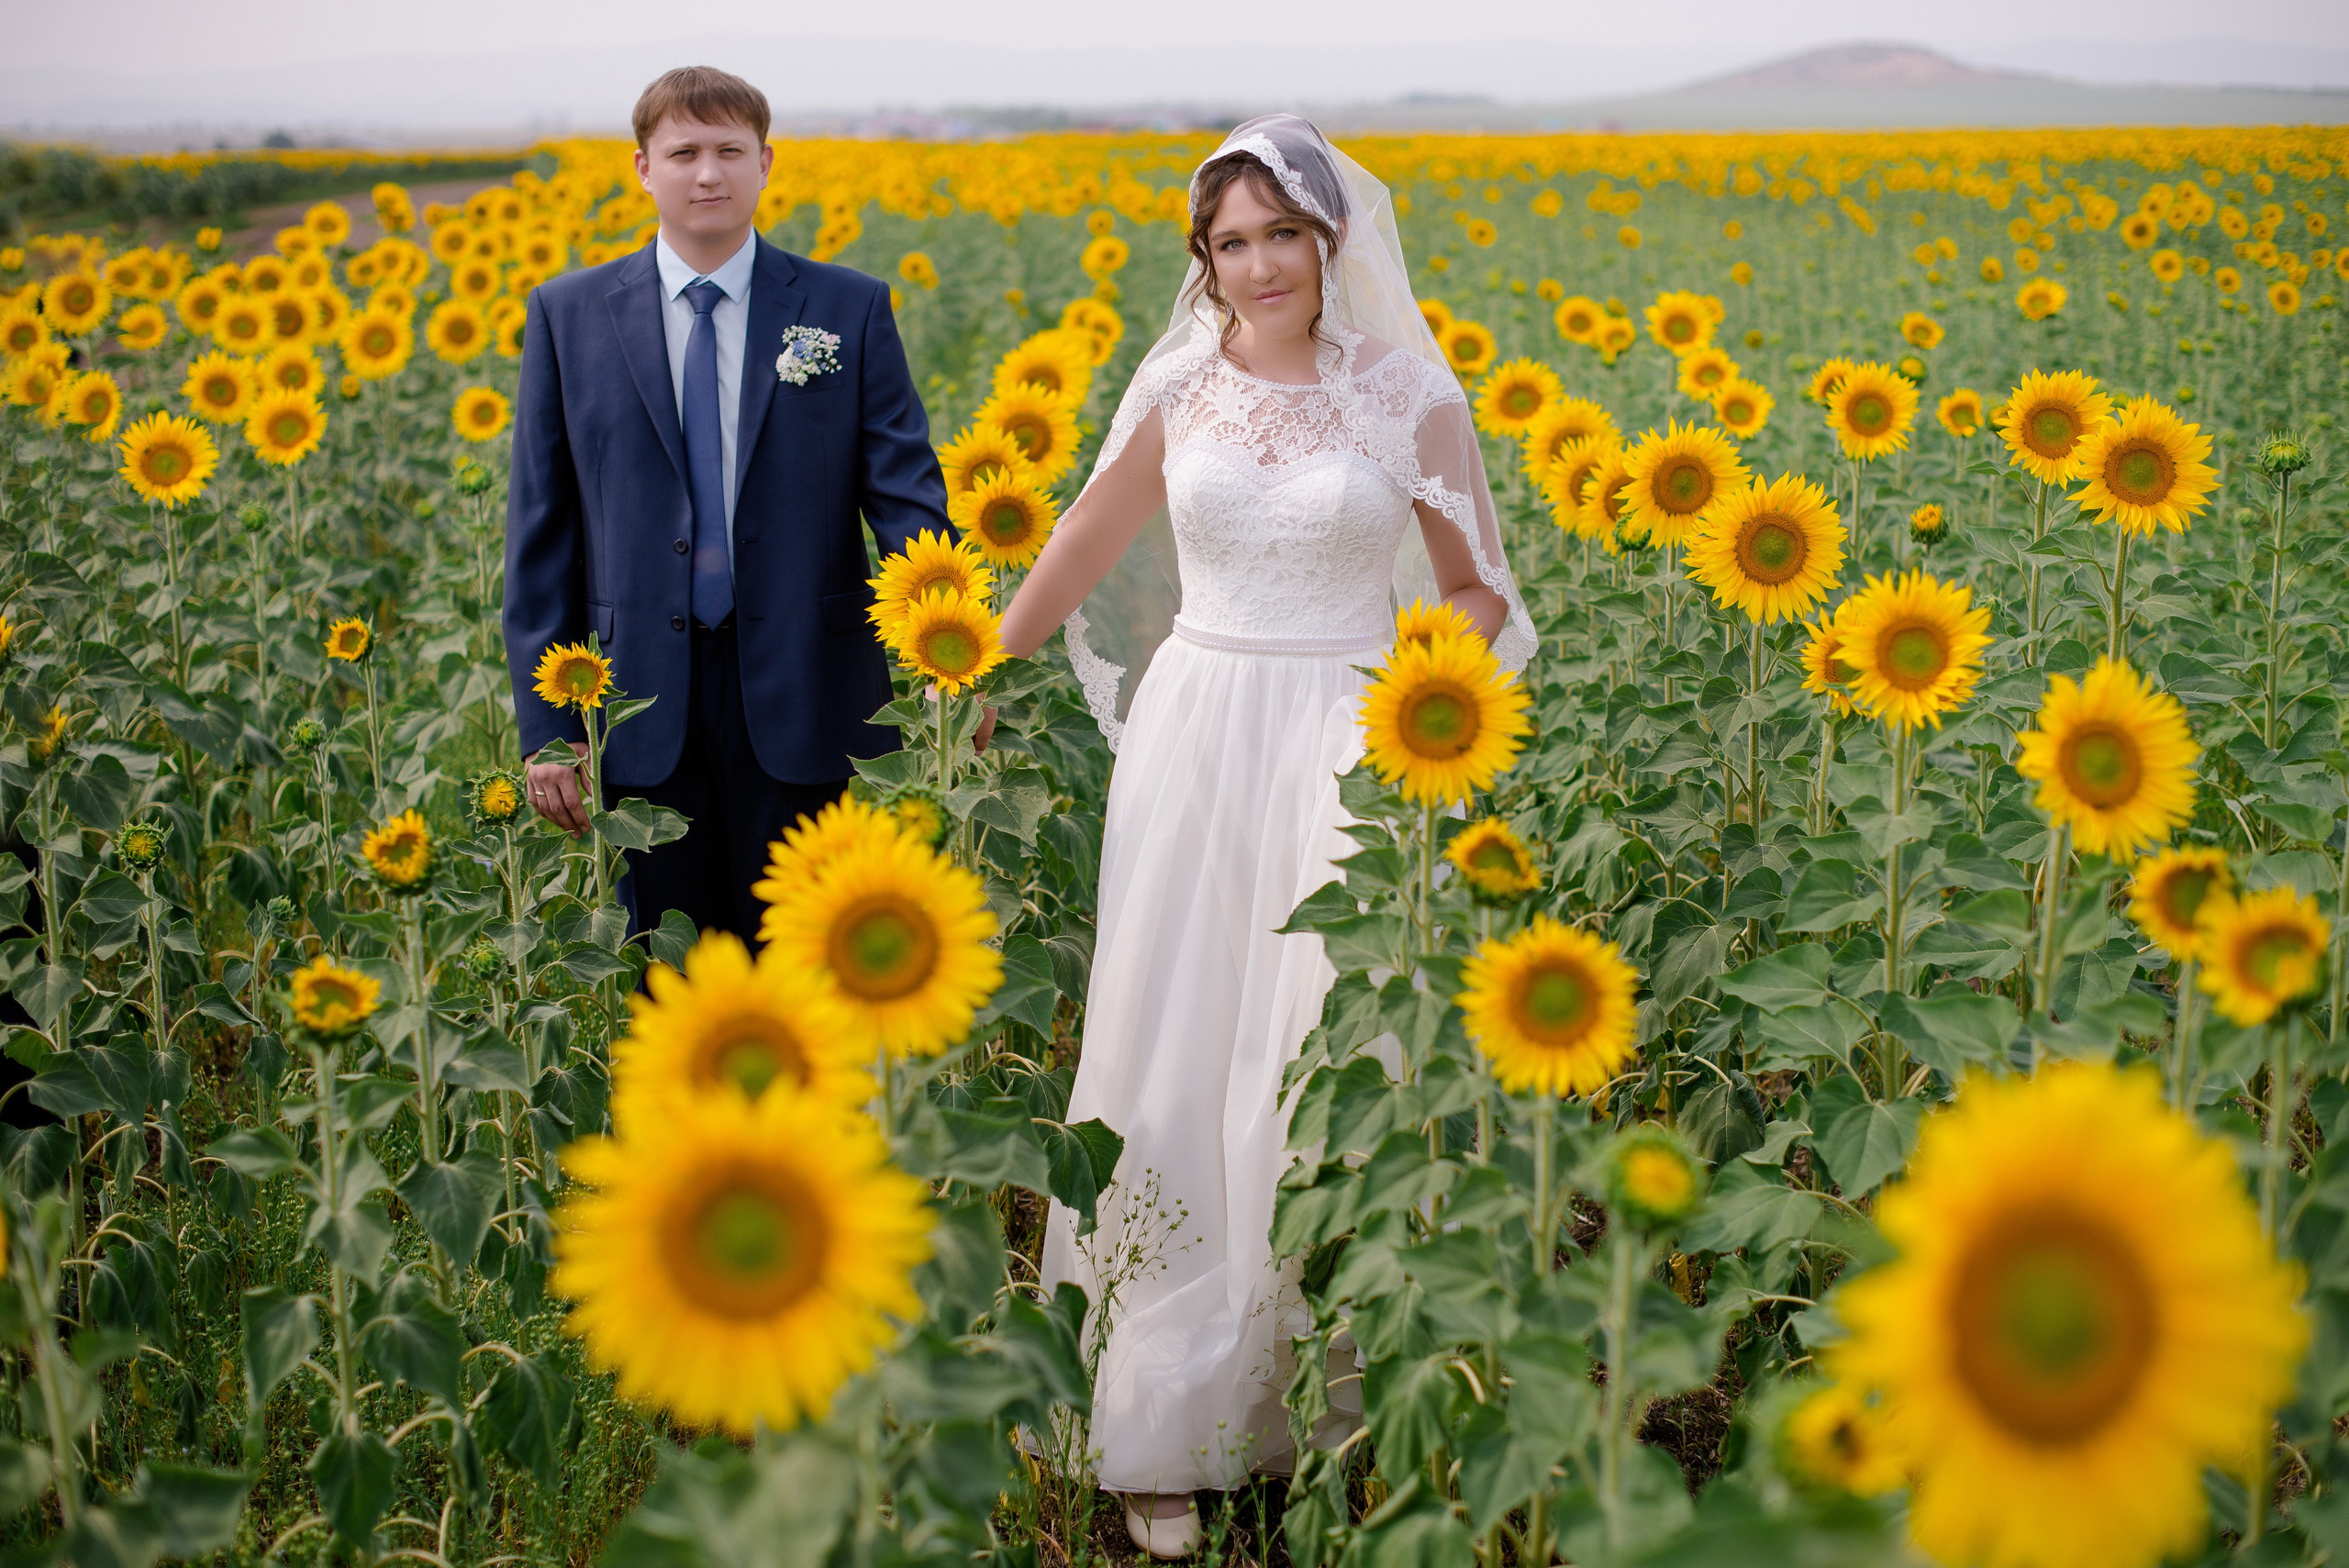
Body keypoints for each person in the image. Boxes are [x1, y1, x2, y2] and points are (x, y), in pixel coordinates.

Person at [987, 116, 1535, 1559]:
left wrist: (1415, 698)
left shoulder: (1411, 395)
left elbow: (1480, 591)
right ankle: (1160, 1411)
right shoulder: (1180, 386)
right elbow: (1089, 540)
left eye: (1280, 233)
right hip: (1200, 729)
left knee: (1325, 1047)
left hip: (1347, 734)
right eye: (1229, 243)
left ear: (1328, 239)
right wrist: (980, 660)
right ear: (1206, 262)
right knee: (1176, 1036)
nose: (1257, 264)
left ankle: (1332, 1393)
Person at [505, 65, 949, 943]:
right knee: (666, 966)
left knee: (812, 956)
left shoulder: (844, 309)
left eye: (728, 151)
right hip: (637, 698)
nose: (707, 173)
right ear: (642, 168)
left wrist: (951, 662)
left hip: (809, 687)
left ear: (766, 162)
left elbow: (906, 502)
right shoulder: (569, 316)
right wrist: (550, 728)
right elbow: (541, 535)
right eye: (683, 152)